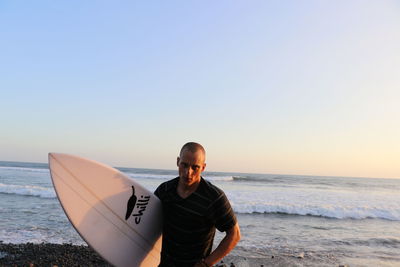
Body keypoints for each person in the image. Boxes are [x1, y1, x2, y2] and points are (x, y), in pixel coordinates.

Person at [154, 142, 241, 267]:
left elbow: (235, 234)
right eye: (184, 165)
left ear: (203, 167)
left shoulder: (213, 197)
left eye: (195, 167)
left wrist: (207, 263)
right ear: (178, 161)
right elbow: (149, 222)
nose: (188, 172)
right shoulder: (165, 190)